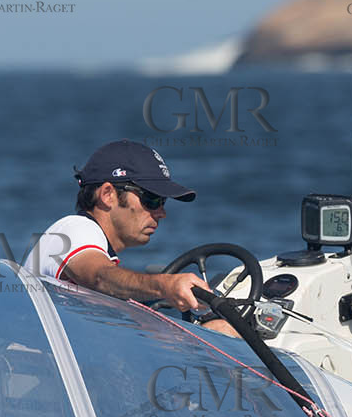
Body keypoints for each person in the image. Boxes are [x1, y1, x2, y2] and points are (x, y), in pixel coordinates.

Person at [27, 140, 228, 331]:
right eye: (151, 199)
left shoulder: (94, 247)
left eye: (163, 201)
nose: (161, 213)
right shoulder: (74, 228)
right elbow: (99, 278)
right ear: (107, 195)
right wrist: (165, 285)